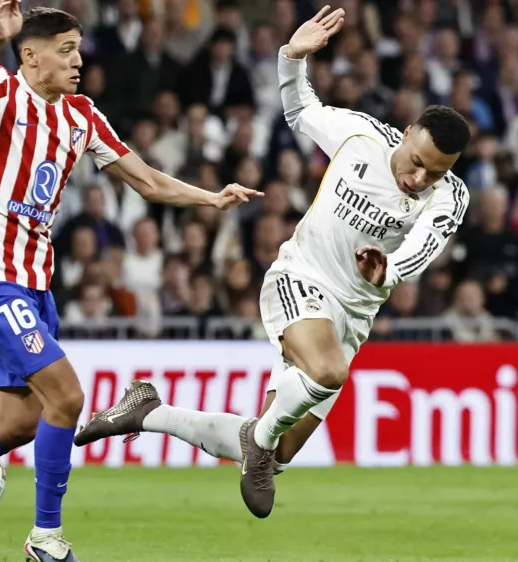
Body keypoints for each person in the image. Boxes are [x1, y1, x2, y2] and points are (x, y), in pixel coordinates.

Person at [0, 3, 259, 562]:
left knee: (17, 422)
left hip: (33, 288)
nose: (78, 62)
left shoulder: (81, 115)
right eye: (66, 51)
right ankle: (45, 537)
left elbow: (147, 181)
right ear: (30, 55)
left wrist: (211, 198)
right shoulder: (0, 88)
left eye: (79, 51)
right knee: (68, 396)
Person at [74, 6, 471, 520]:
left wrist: (390, 272)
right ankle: (257, 445)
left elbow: (425, 245)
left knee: (277, 451)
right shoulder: (361, 136)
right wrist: (291, 57)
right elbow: (300, 110)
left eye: (433, 173)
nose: (419, 179)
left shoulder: (450, 195)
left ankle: (149, 411)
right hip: (301, 278)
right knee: (327, 373)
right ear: (409, 132)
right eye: (417, 163)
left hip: (354, 314)